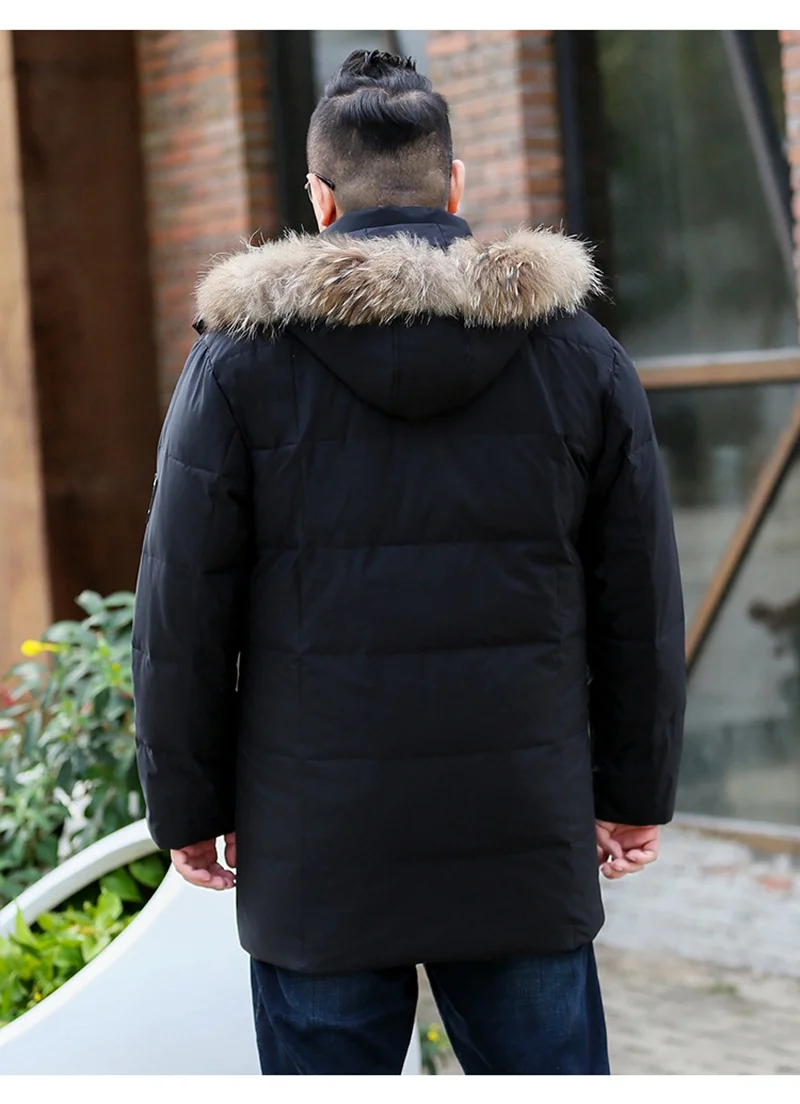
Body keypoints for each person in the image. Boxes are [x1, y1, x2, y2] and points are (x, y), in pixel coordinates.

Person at [132, 49, 686, 1076]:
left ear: (319, 198)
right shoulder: (579, 356)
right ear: (455, 185)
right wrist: (633, 786)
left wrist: (189, 809)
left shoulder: (237, 365)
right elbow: (638, 597)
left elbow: (180, 613)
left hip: (316, 845)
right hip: (518, 829)